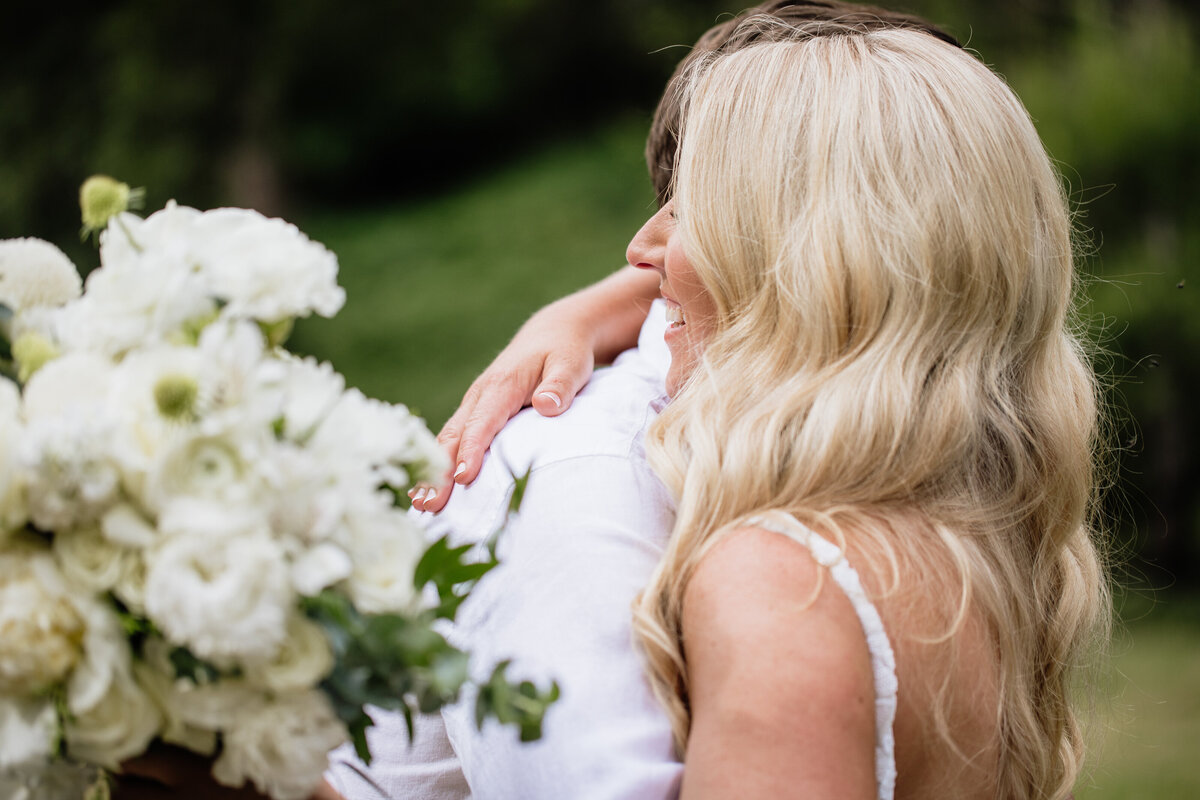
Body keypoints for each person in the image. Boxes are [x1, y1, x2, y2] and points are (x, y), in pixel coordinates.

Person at [432, 13, 1109, 800]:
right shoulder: (978, 553)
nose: (639, 251)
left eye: (692, 209)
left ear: (804, 259)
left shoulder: (780, 580)